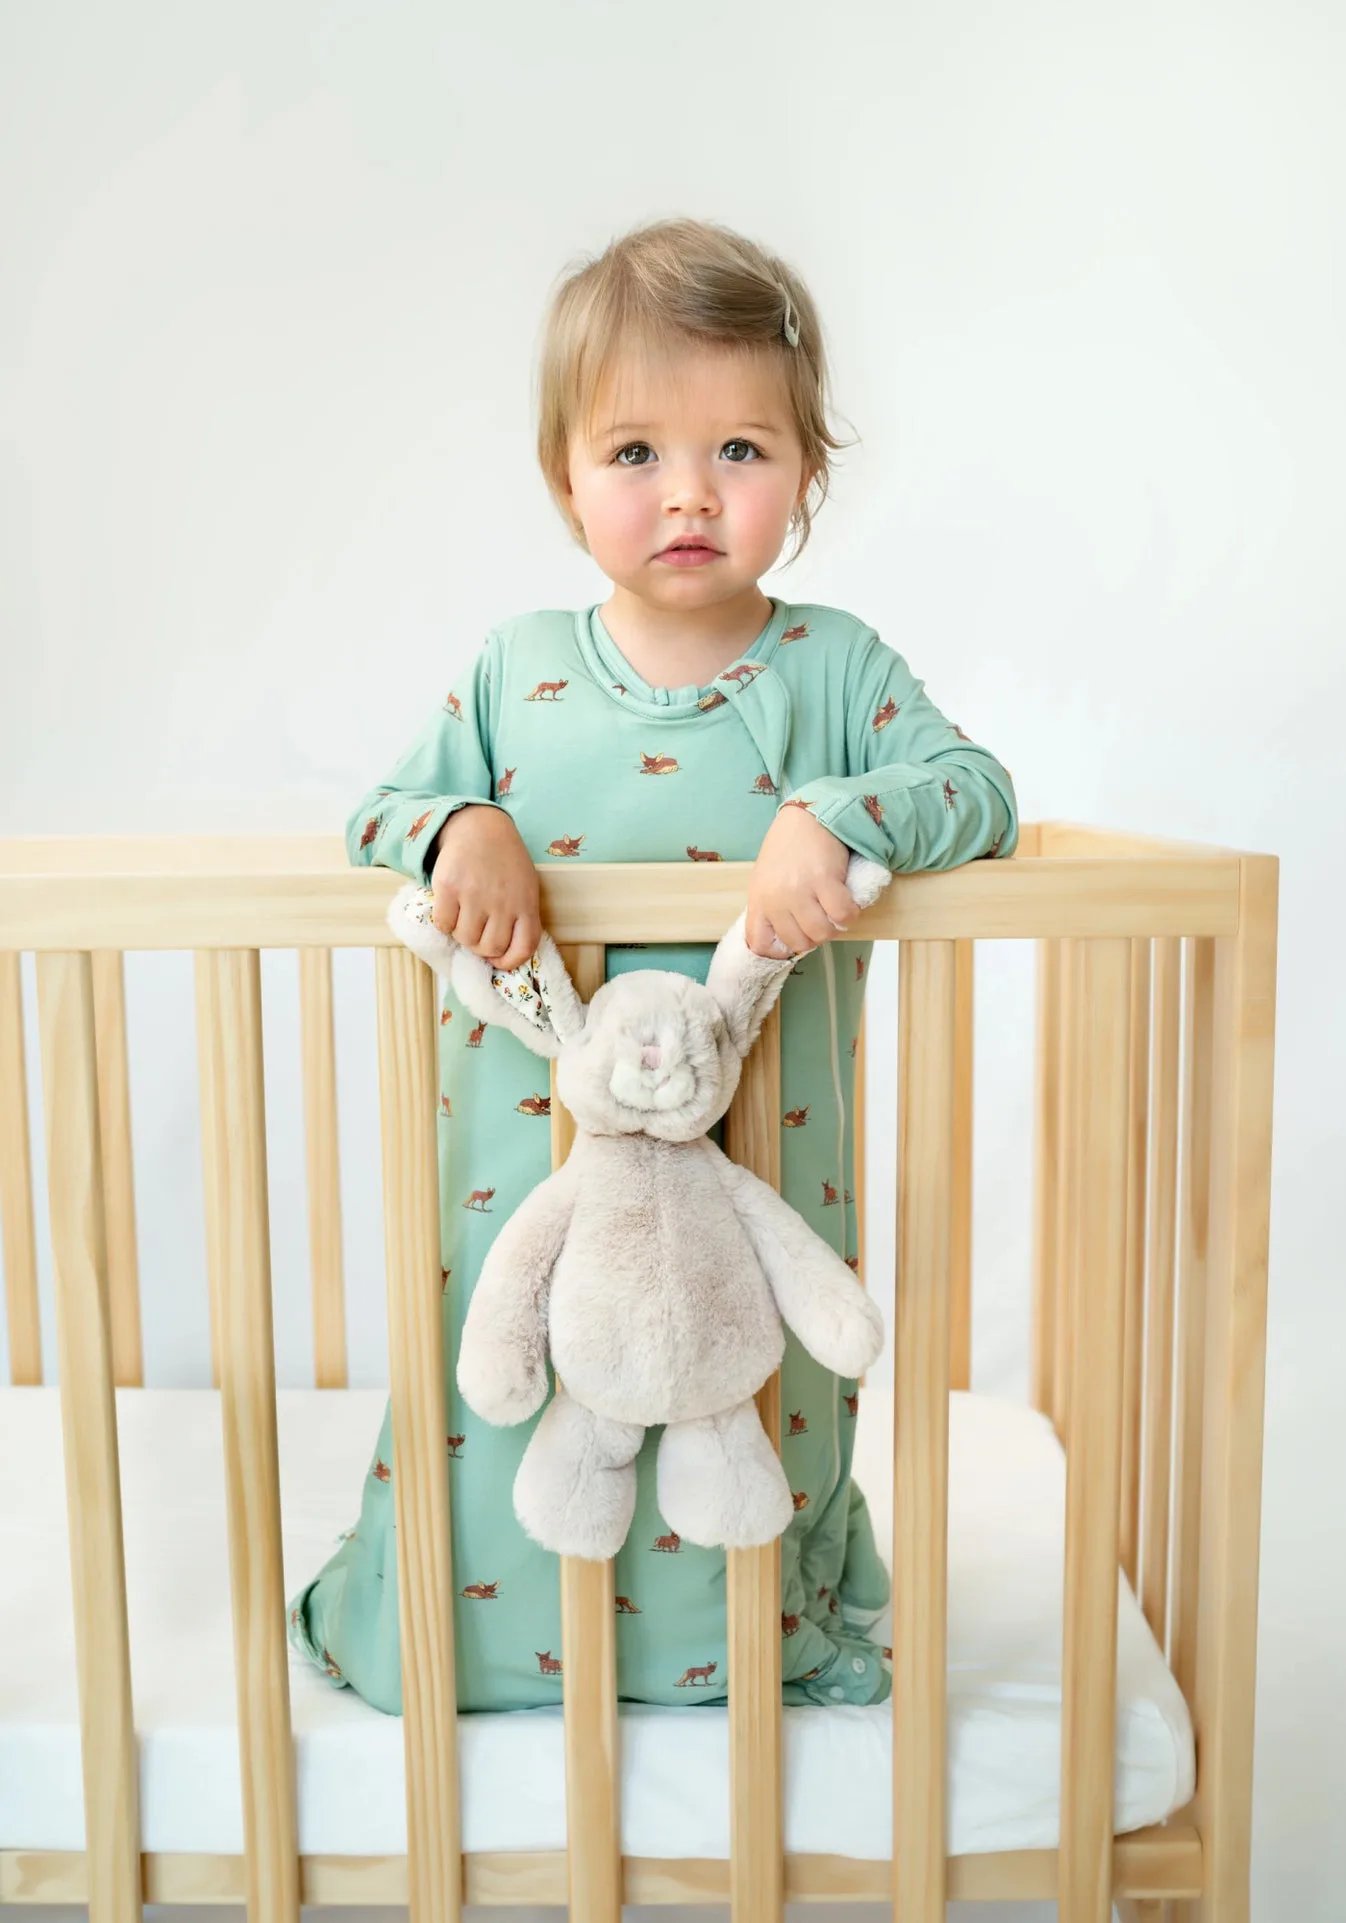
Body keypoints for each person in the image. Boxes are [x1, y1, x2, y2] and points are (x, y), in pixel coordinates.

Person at [287, 214, 1017, 1715]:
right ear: (564, 478)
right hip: (525, 1169)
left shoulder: (835, 670)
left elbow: (979, 793)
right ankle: (475, 1635)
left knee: (757, 1380)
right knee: (505, 1373)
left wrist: (834, 811)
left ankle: (755, 1630)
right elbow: (376, 816)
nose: (689, 492)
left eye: (740, 449)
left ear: (806, 472)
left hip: (763, 1162)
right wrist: (462, 825)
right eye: (634, 453)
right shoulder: (514, 671)